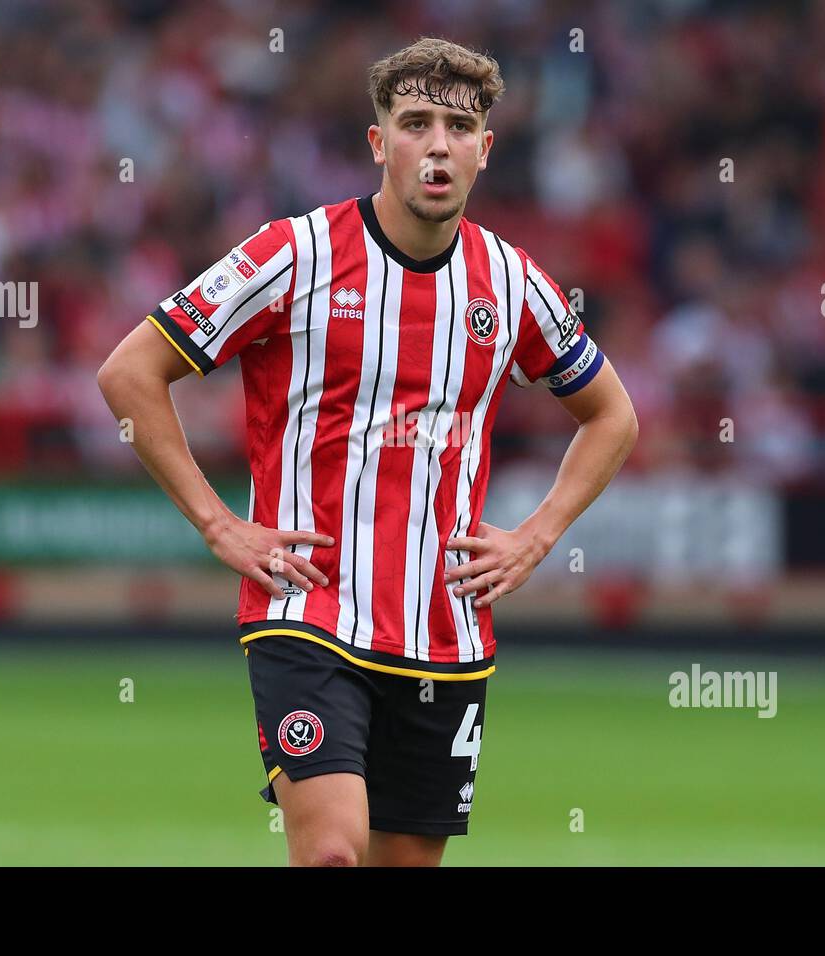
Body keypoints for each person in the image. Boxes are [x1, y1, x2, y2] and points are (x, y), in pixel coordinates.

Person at [97, 37, 638, 866]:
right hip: (307, 614)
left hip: (446, 632)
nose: (437, 145)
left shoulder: (514, 282)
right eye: (415, 123)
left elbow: (613, 416)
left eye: (459, 127)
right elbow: (130, 371)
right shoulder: (294, 253)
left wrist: (536, 535)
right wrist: (218, 524)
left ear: (484, 151)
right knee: (332, 856)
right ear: (379, 142)